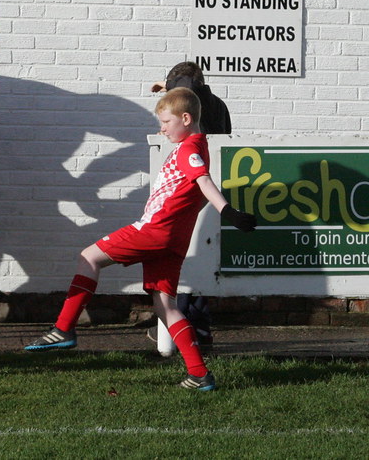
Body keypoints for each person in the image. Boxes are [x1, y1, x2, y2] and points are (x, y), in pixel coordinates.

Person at [23, 87, 257, 391]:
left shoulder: (189, 150)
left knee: (88, 257)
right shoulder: (199, 146)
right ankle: (199, 374)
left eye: (165, 122)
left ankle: (63, 329)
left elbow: (204, 182)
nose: (161, 129)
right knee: (166, 306)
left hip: (154, 230)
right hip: (172, 240)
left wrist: (229, 212)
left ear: (186, 118)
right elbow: (196, 194)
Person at [150, 61, 232, 346]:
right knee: (201, 259)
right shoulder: (217, 105)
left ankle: (182, 325)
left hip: (187, 191)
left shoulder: (186, 103)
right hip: (211, 188)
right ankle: (197, 325)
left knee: (184, 259)